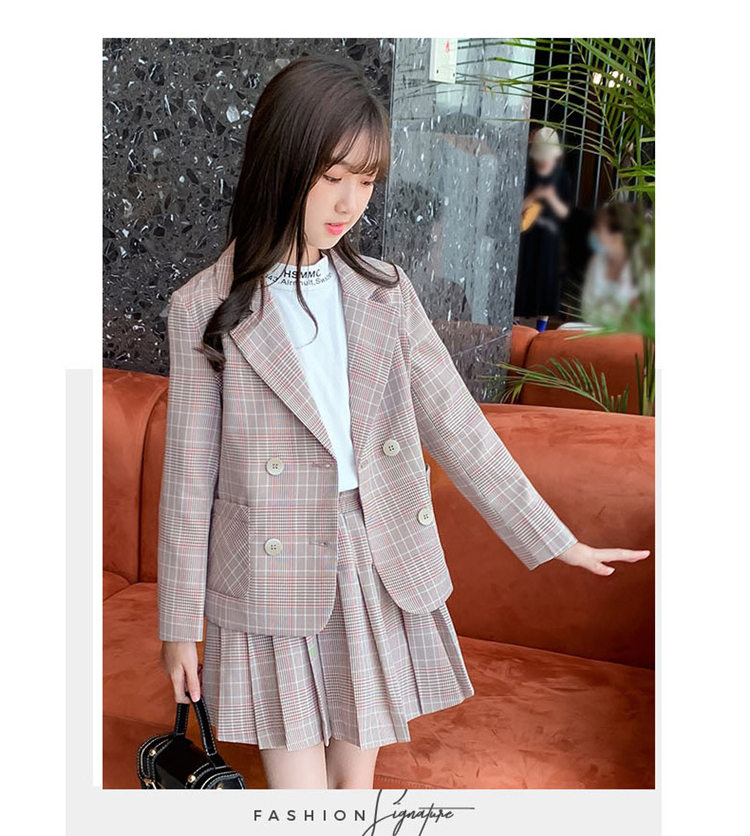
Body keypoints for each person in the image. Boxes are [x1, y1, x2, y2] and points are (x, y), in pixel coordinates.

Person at [158, 55, 650, 791]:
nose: (349, 203)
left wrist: (559, 540)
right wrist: (178, 626)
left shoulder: (386, 292)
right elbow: (189, 481)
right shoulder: (204, 307)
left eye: (365, 182)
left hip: (372, 555)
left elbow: (457, 425)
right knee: (300, 803)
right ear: (281, 163)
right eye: (332, 176)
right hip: (265, 568)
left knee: (355, 790)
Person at [514, 126, 572, 330]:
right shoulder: (524, 174)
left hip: (550, 239)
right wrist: (532, 198)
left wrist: (551, 198)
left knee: (546, 282)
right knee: (522, 281)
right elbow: (512, 207)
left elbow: (565, 213)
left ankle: (541, 328)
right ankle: (516, 325)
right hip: (526, 237)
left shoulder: (562, 178)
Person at [580, 201, 641, 326]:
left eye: (599, 229)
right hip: (597, 330)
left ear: (618, 235)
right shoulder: (597, 261)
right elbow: (587, 311)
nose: (595, 234)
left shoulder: (644, 265)